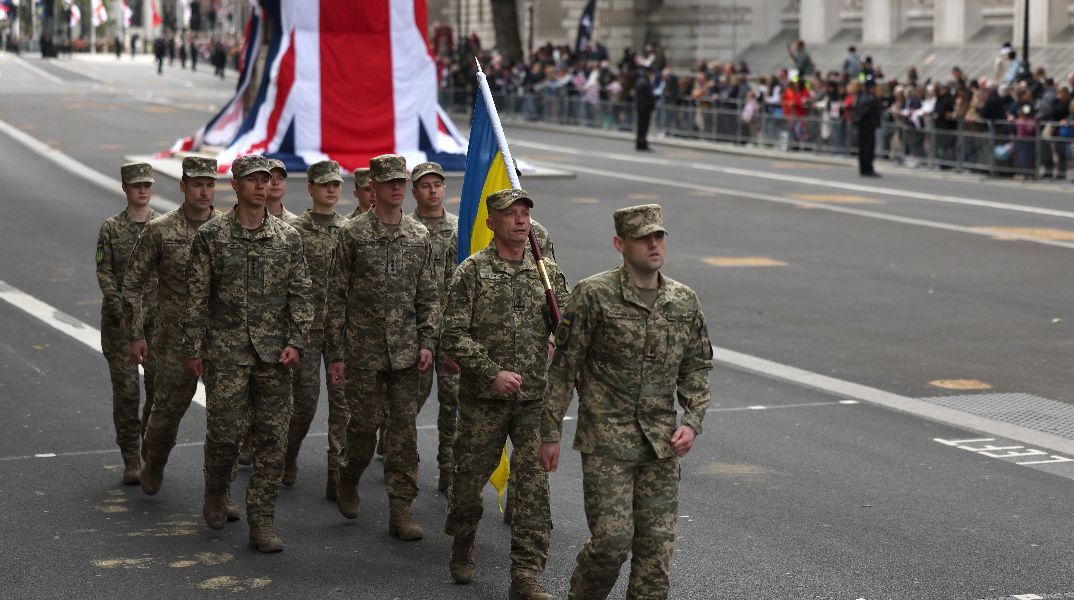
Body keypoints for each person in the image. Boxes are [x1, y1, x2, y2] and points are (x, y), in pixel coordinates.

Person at [539, 204, 713, 600]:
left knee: (655, 552)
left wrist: (692, 420)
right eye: (642, 238)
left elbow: (697, 365)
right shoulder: (594, 294)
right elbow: (565, 368)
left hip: (661, 444)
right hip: (606, 442)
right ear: (621, 243)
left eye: (658, 236)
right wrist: (549, 433)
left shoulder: (683, 301)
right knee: (612, 544)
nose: (653, 244)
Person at [182, 154, 313, 552]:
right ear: (235, 186)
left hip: (274, 354)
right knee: (225, 433)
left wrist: (296, 340)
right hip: (226, 352)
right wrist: (193, 347)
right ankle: (216, 490)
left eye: (266, 179)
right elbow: (196, 296)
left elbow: (301, 293)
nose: (261, 185)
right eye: (252, 179)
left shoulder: (288, 238)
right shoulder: (212, 235)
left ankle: (263, 522)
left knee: (273, 438)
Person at [442, 188, 568, 600]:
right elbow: (452, 335)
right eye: (509, 214)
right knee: (466, 485)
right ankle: (462, 541)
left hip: (534, 400)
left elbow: (565, 328)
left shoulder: (546, 272)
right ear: (491, 222)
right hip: (484, 401)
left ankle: (525, 575)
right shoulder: (473, 272)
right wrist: (492, 372)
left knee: (533, 491)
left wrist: (560, 339)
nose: (520, 220)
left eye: (524, 214)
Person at [325, 154, 439, 539]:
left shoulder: (418, 235)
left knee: (403, 433)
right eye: (388, 181)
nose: (396, 187)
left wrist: (428, 341)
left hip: (406, 352)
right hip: (363, 351)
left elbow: (428, 294)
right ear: (372, 186)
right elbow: (336, 295)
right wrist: (335, 354)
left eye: (400, 181)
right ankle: (348, 475)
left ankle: (401, 511)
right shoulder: (353, 234)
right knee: (362, 429)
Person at [123, 157, 220, 498]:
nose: (205, 191)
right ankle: (155, 462)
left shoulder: (228, 231)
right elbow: (132, 283)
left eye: (210, 184)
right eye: (197, 184)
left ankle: (219, 494)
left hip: (220, 337)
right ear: (183, 186)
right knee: (166, 413)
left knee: (228, 421)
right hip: (174, 338)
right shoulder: (161, 230)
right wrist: (136, 333)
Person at [280, 160, 349, 499]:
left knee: (344, 406)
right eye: (324, 185)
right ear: (310, 189)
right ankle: (289, 454)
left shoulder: (349, 231)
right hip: (306, 331)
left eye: (336, 184)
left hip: (341, 332)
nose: (331, 190)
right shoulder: (294, 231)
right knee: (304, 404)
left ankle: (337, 474)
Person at [96, 163, 160, 485]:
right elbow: (104, 272)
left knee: (157, 391)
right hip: (119, 323)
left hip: (155, 322)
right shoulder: (111, 228)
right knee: (126, 391)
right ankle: (131, 458)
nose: (143, 190)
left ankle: (150, 450)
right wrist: (119, 305)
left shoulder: (162, 227)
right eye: (136, 185)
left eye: (147, 184)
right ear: (125, 188)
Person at [408, 162, 460, 494]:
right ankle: (405, 463)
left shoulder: (460, 228)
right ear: (415, 192)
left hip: (453, 330)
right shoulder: (407, 229)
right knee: (410, 400)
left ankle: (448, 467)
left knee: (453, 400)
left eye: (437, 185)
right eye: (425, 185)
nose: (432, 190)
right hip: (416, 330)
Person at [853, 77, 882, 177]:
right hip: (868, 127)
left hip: (863, 126)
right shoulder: (871, 98)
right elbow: (865, 112)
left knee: (863, 148)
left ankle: (864, 168)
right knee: (868, 149)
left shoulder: (861, 96)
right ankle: (868, 168)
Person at [635, 67, 655, 151]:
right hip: (645, 107)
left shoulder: (639, 80)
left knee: (640, 126)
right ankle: (642, 143)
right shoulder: (646, 82)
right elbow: (650, 95)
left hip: (640, 106)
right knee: (644, 127)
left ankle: (639, 143)